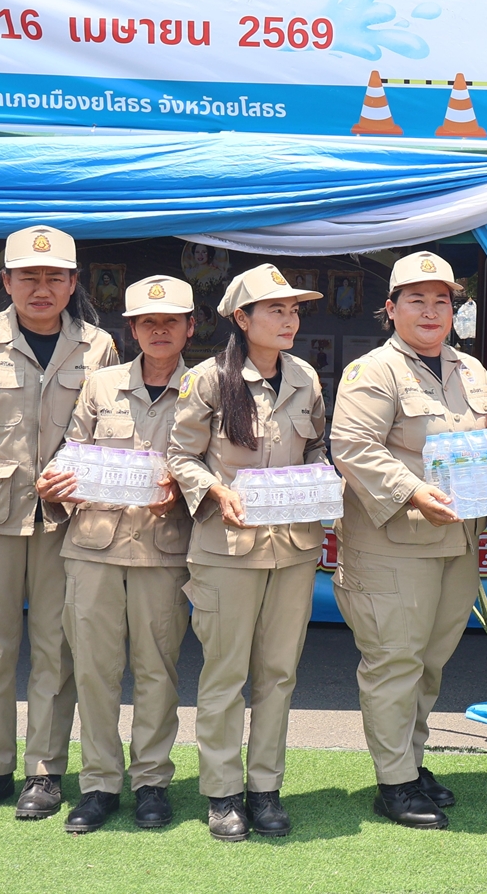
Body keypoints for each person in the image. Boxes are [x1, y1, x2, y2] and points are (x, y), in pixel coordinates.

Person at [0, 225, 118, 820]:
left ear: (72, 283)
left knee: (56, 649)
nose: (41, 287)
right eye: (28, 277)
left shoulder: (99, 346)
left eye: (54, 277)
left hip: (68, 521)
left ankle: (44, 771)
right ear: (5, 281)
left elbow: (111, 433)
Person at [329, 251, 487, 831]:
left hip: (457, 544)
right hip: (394, 543)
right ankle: (393, 782)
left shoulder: (469, 370)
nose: (431, 311)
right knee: (394, 662)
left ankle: (412, 762)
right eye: (416, 300)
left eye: (442, 300)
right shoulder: (373, 370)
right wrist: (414, 491)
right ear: (391, 308)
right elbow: (352, 448)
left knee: (429, 663)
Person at [167, 263, 325, 842]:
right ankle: (223, 793)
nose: (289, 319)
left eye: (293, 310)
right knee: (225, 673)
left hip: (293, 547)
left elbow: (316, 448)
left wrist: (318, 478)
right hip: (225, 549)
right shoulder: (209, 379)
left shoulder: (305, 376)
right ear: (242, 318)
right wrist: (215, 490)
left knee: (279, 674)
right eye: (276, 310)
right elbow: (180, 455)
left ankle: (265, 789)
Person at [35, 277, 195, 833]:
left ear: (190, 327)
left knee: (157, 672)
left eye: (171, 320)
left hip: (165, 550)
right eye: (147, 321)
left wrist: (185, 488)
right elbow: (72, 451)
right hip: (94, 547)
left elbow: (213, 465)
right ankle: (100, 783)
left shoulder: (205, 387)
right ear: (131, 330)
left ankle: (151, 781)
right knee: (94, 672)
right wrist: (53, 484)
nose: (158, 329)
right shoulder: (101, 385)